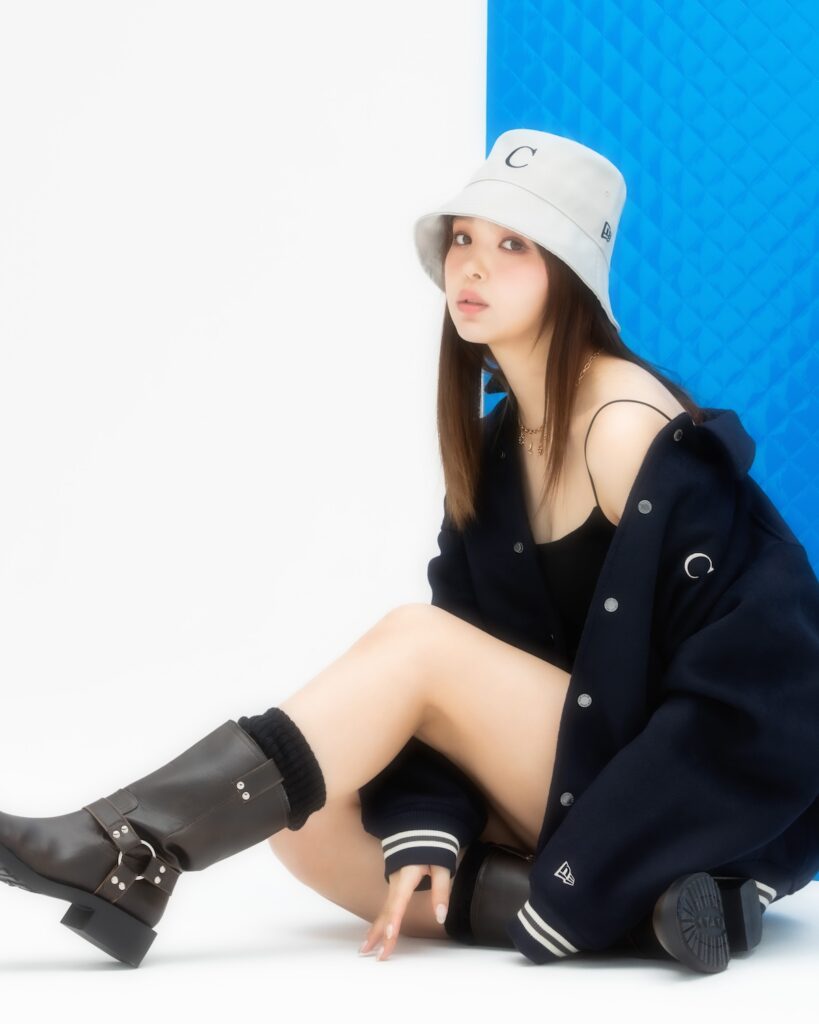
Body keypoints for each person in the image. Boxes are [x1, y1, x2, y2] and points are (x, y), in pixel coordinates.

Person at [1, 130, 817, 974]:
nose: (472, 266)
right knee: (307, 828)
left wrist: (610, 849)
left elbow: (766, 688)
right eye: (462, 238)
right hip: (578, 765)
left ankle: (129, 849)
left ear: (569, 275)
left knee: (416, 643)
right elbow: (453, 689)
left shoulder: (625, 429)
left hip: (688, 795)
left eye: (513, 245)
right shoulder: (498, 448)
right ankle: (649, 916)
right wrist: (432, 818)